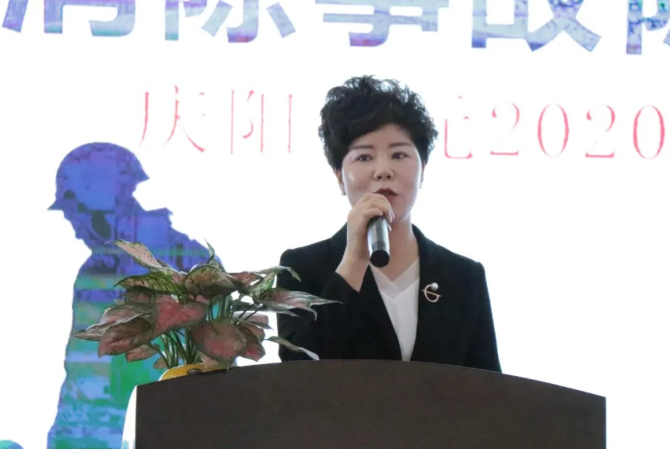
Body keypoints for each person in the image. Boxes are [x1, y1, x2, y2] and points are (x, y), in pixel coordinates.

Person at [277, 76, 501, 372]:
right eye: (364, 157)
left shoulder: (463, 277)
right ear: (339, 177)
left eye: (399, 155)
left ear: (423, 170)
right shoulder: (301, 269)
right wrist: (354, 260)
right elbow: (296, 373)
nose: (383, 170)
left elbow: (489, 389)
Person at [47, 142, 211, 448]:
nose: (75, 227)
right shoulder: (195, 255)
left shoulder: (102, 269)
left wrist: (62, 444)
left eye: (74, 212)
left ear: (97, 206)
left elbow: (87, 383)